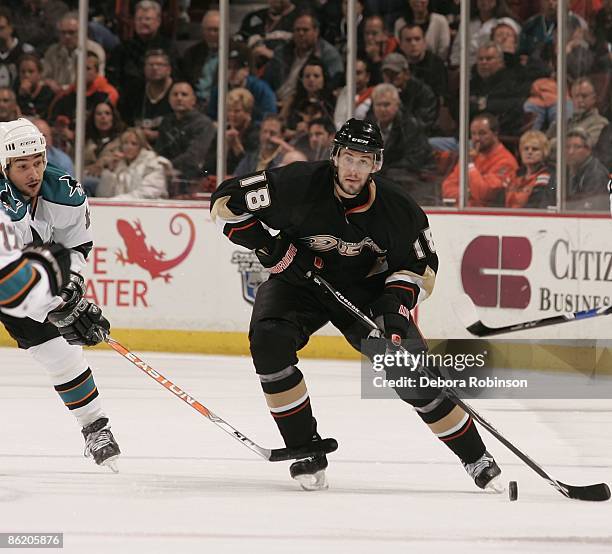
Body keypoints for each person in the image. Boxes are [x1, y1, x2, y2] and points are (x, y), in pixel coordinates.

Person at [210, 118, 503, 492]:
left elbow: (419, 269)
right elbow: (226, 201)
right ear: (335, 156)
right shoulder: (297, 183)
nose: (354, 169)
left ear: (377, 164)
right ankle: (305, 449)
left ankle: (476, 457)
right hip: (297, 281)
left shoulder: (398, 209)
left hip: (367, 292)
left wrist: (394, 310)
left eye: (364, 161)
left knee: (411, 371)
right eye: (349, 158)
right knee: (269, 340)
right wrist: (270, 248)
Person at [0, 117, 121, 469]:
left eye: (38, 161)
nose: (34, 172)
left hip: (23, 278)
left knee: (61, 355)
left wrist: (70, 289)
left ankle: (96, 428)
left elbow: (77, 246)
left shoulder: (64, 191)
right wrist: (59, 306)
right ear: (4, 167)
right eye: (22, 166)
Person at [442, 112, 518, 206]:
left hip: (491, 216)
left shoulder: (506, 161)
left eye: (482, 133)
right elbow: (447, 186)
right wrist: (467, 194)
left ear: (495, 133)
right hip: (464, 212)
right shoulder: (473, 156)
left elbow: (484, 194)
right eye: (473, 134)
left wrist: (470, 166)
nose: (477, 138)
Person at [96, 127, 170, 199]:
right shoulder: (119, 165)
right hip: (121, 208)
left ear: (141, 146)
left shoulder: (154, 164)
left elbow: (147, 193)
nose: (129, 147)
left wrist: (118, 200)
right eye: (125, 143)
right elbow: (102, 195)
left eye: (134, 144)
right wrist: (110, 172)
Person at [505, 130, 555, 208]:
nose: (529, 152)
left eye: (535, 149)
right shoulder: (514, 174)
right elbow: (499, 200)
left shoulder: (547, 175)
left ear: (544, 152)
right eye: (526, 148)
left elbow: (537, 205)